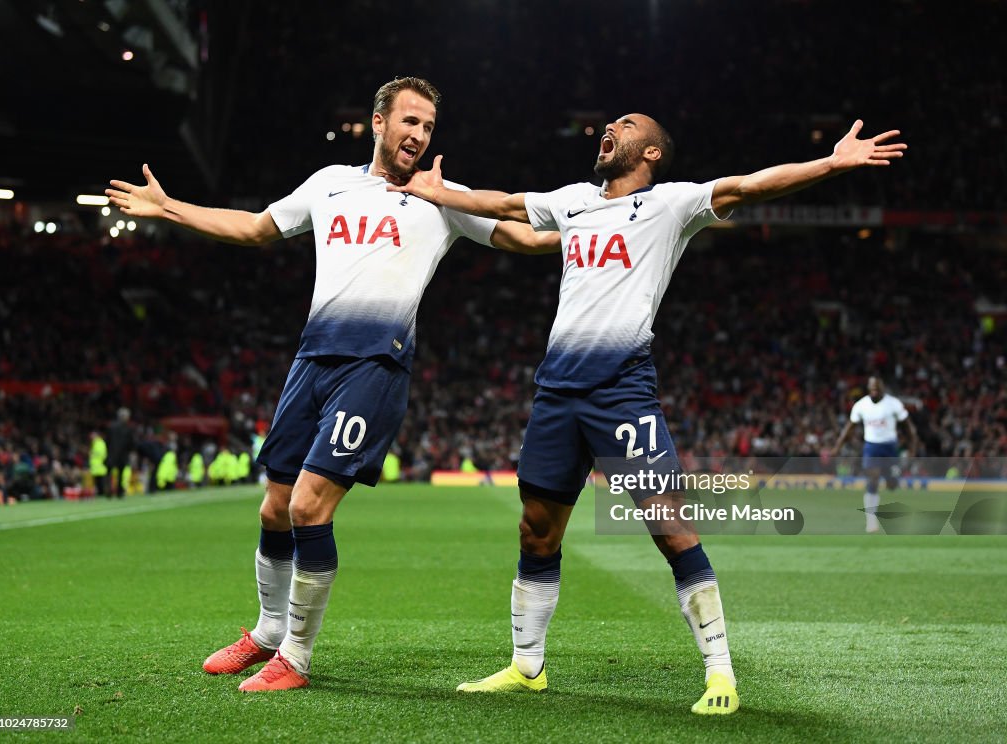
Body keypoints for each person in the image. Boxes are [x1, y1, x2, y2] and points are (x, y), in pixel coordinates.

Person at [392, 115, 906, 714]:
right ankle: (526, 666)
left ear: (652, 151)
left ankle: (720, 674)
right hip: (557, 390)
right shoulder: (575, 201)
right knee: (536, 527)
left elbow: (750, 185)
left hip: (621, 393)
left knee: (670, 528)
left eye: (626, 123)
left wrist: (830, 163)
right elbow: (504, 204)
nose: (610, 125)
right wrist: (439, 193)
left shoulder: (671, 204)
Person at [106, 76, 556, 692]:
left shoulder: (442, 198)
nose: (419, 136)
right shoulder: (329, 183)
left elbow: (523, 237)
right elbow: (257, 228)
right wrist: (170, 207)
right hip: (311, 361)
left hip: (374, 367)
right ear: (378, 123)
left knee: (308, 505)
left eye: (428, 127)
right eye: (410, 122)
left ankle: (295, 656)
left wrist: (604, 231)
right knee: (273, 507)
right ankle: (267, 631)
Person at [831, 376, 918, 533]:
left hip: (890, 447)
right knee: (873, 480)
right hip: (871, 447)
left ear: (882, 388)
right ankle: (871, 523)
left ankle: (890, 478)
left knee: (892, 485)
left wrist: (912, 448)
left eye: (877, 388)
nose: (874, 390)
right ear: (868, 388)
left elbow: (909, 427)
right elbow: (849, 428)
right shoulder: (861, 405)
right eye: (872, 388)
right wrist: (837, 446)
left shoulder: (893, 404)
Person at [106, 408, 134, 499]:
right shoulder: (127, 428)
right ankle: (119, 492)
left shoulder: (111, 426)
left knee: (109, 473)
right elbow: (131, 443)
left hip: (111, 453)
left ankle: (109, 491)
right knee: (120, 474)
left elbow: (107, 441)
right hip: (122, 454)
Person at [88, 431, 108, 497]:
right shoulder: (95, 443)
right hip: (96, 467)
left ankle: (102, 494)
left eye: (92, 436)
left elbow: (102, 454)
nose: (91, 437)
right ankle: (100, 494)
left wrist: (92, 454)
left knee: (101, 482)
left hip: (100, 466)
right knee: (97, 483)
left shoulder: (100, 443)